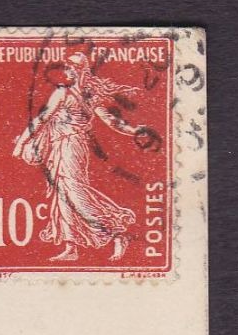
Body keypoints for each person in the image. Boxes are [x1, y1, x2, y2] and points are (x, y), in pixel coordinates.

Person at [12, 51, 146, 262]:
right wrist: (23, 142)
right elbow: (42, 119)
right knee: (62, 194)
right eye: (67, 66)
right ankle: (71, 246)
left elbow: (112, 121)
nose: (67, 70)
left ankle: (117, 232)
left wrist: (134, 130)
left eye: (71, 66)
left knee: (75, 193)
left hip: (73, 146)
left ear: (79, 70)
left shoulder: (85, 96)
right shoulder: (62, 93)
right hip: (60, 146)